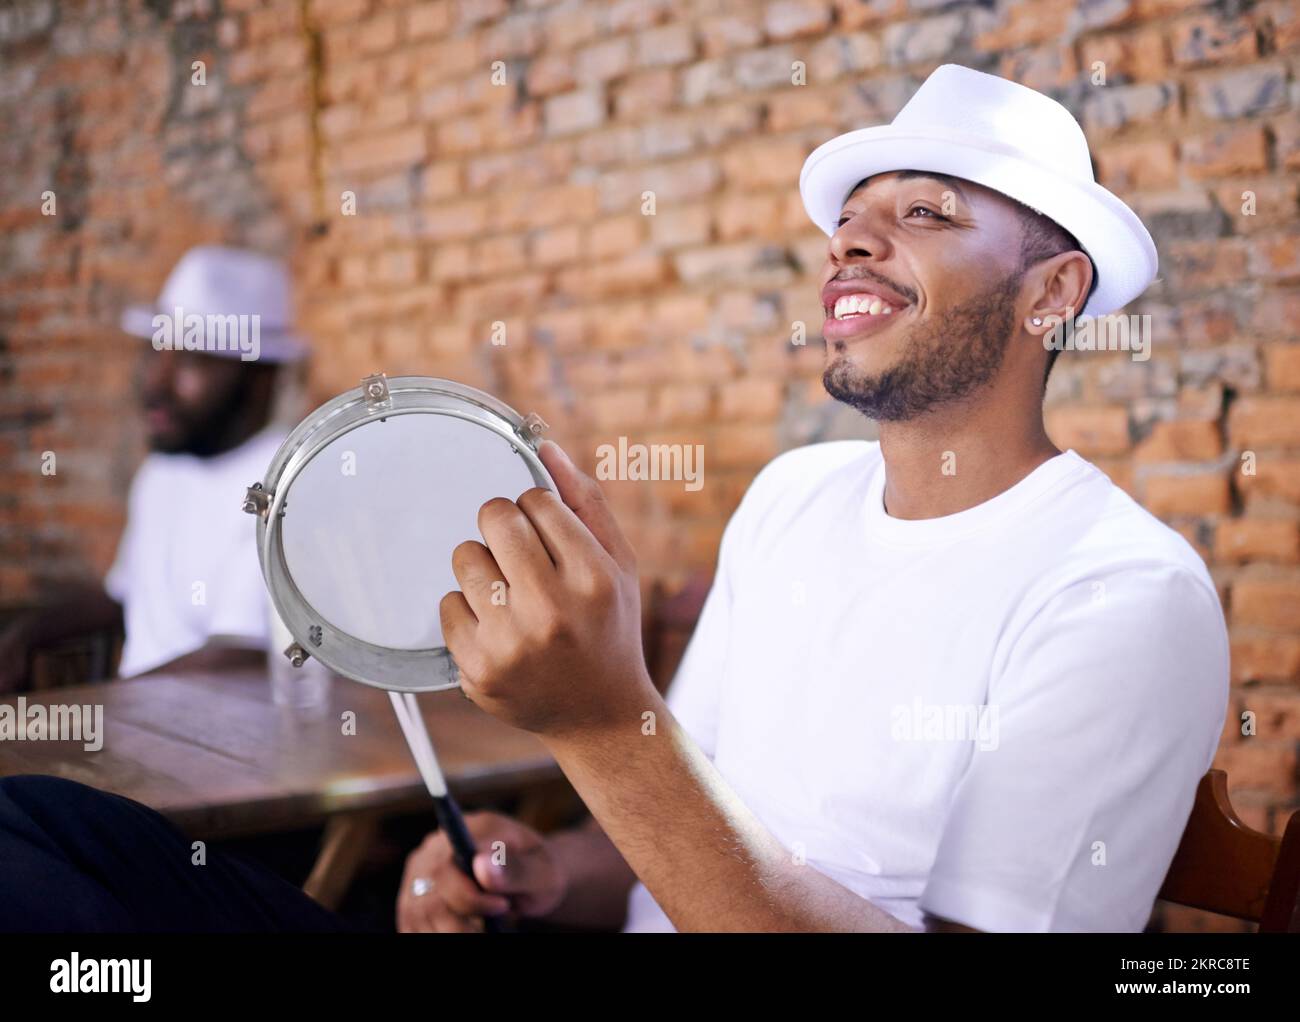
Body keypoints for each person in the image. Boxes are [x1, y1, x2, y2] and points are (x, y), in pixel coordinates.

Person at [0, 64, 1228, 934]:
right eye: (848, 223)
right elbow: (664, 830)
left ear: (1053, 293)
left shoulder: (1119, 594)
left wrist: (595, 723)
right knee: (39, 830)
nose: (851, 244)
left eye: (924, 215)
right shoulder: (794, 498)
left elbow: (640, 766)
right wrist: (545, 870)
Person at [0, 246, 306, 691]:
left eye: (191, 360)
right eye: (155, 354)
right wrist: (28, 635)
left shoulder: (285, 477)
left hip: (226, 752)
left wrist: (97, 712)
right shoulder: (163, 471)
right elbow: (125, 594)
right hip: (137, 735)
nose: (155, 384)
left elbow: (239, 656)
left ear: (260, 378)